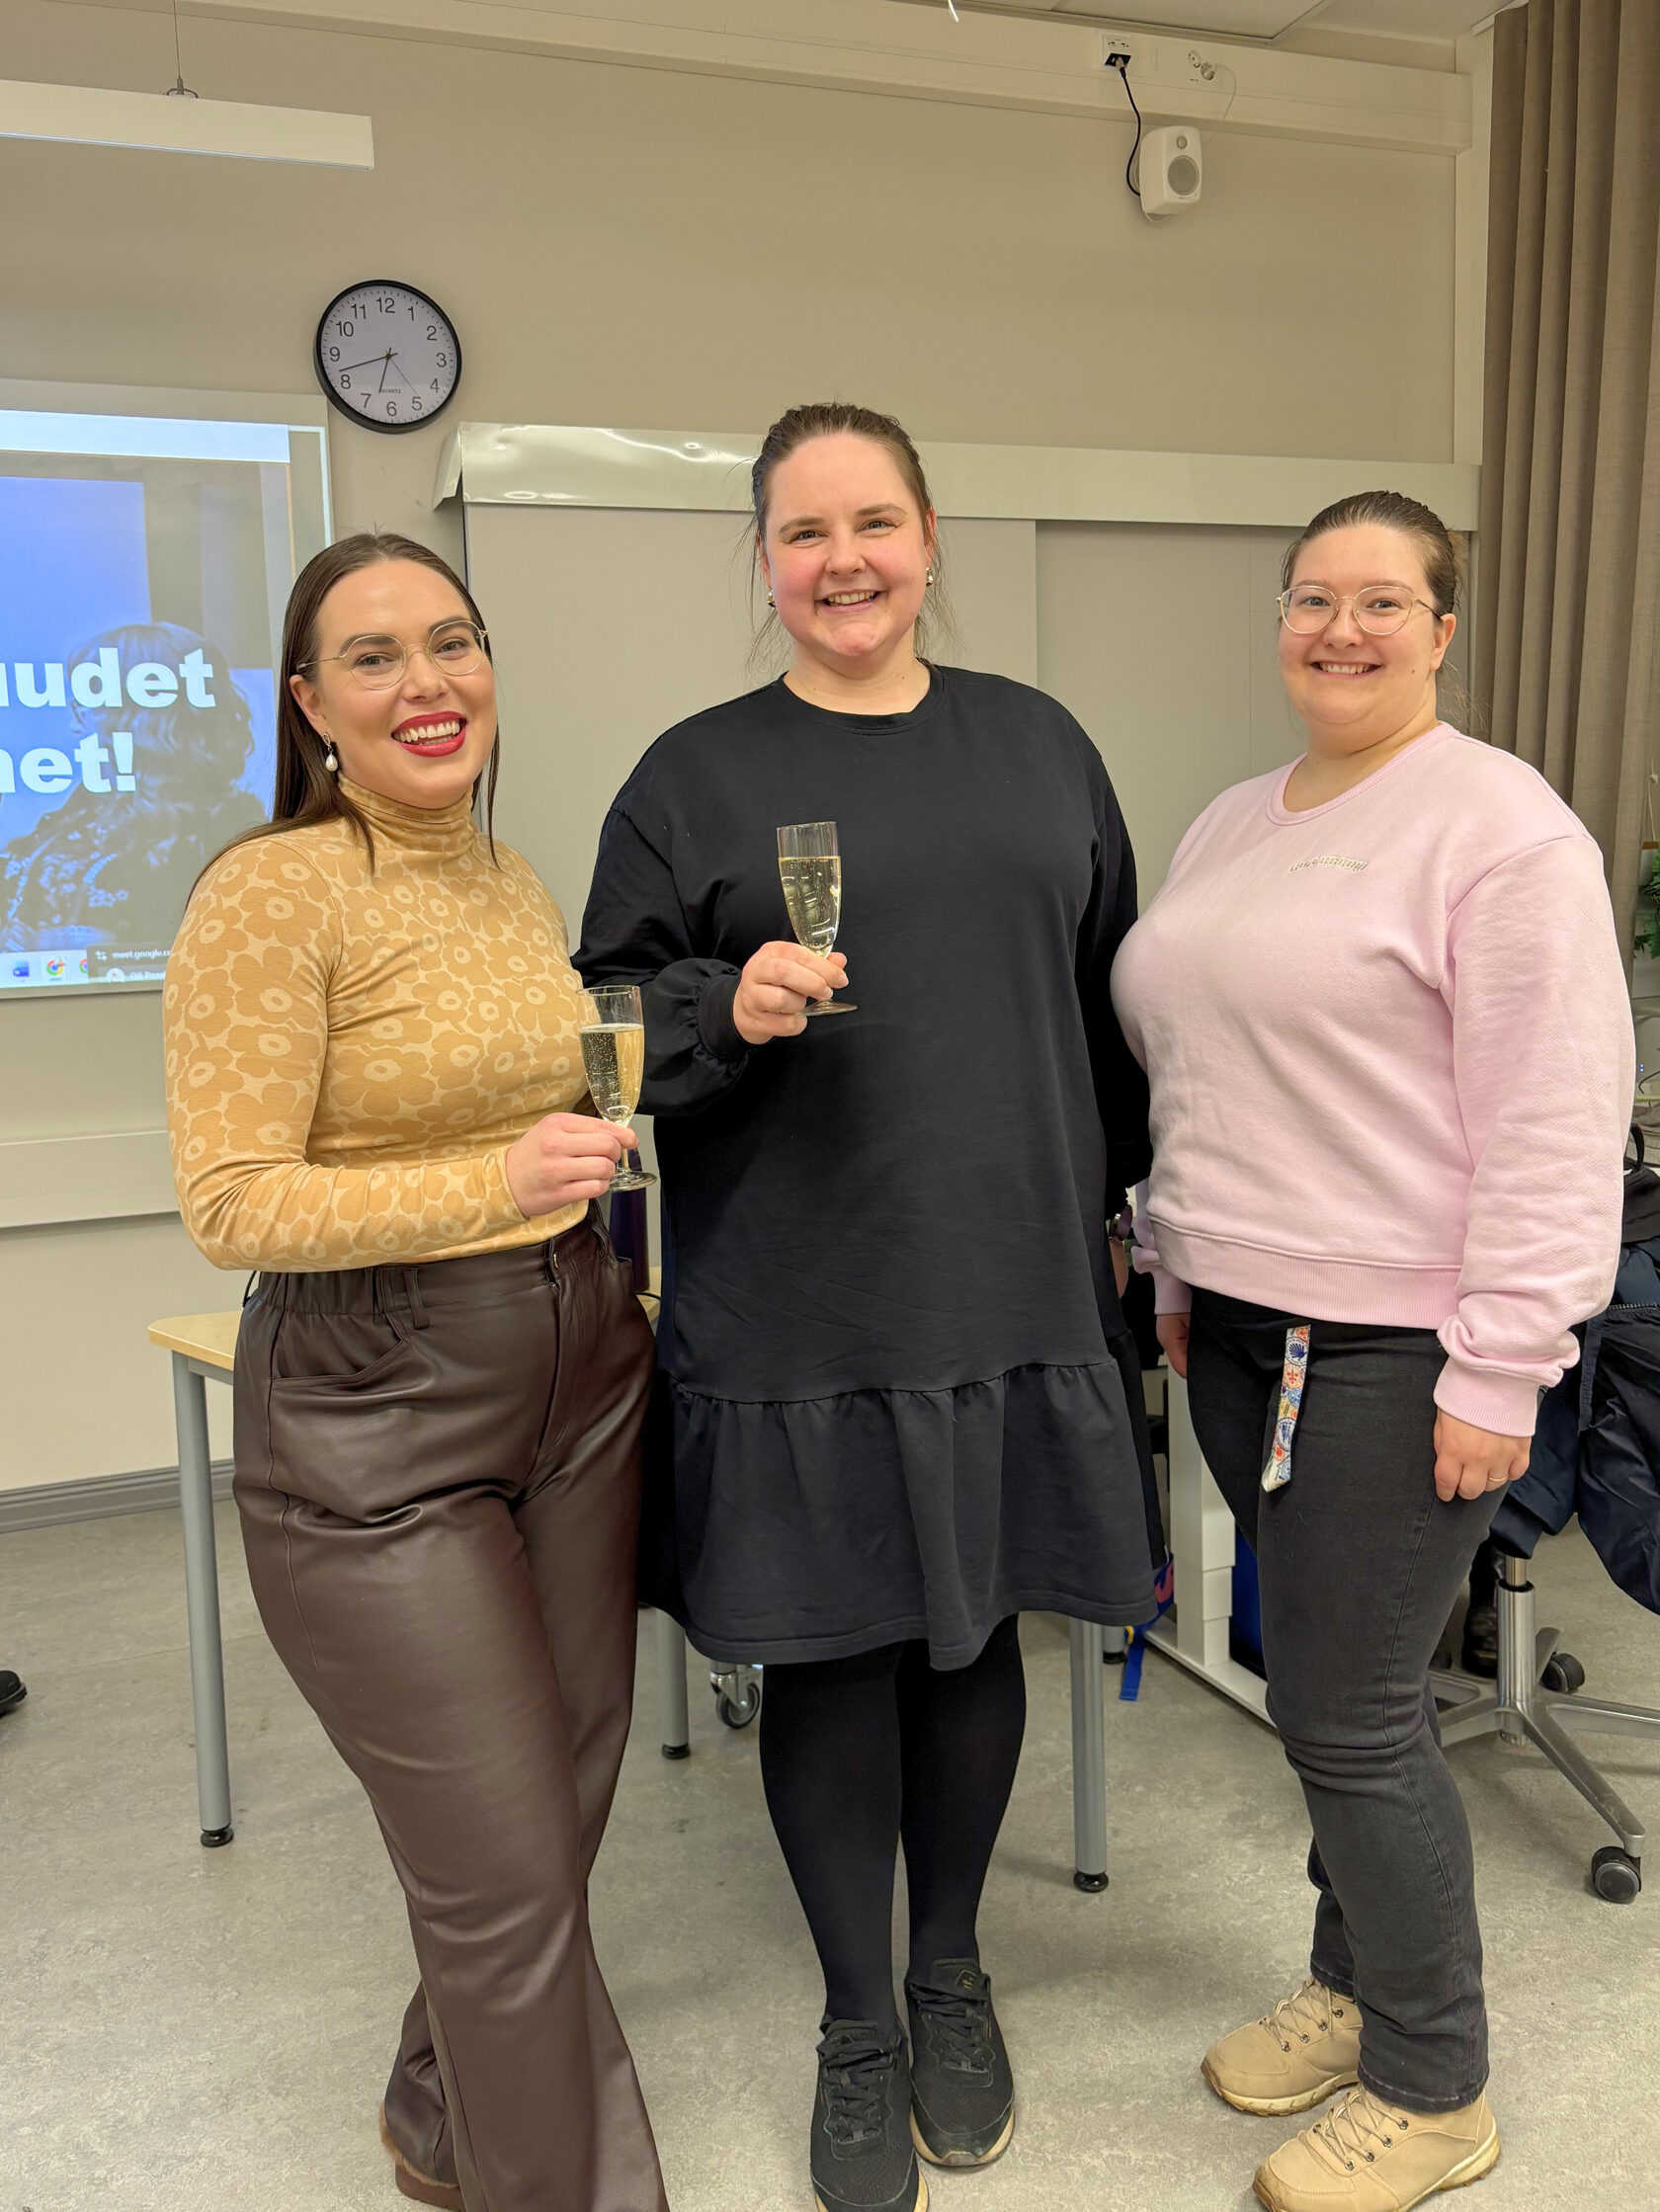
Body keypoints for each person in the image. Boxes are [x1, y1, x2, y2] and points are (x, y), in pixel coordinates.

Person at [577, 402, 1160, 2212]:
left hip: (1008, 1277)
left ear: (928, 537)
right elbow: (599, 1025)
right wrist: (717, 1008)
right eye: (806, 529)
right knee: (832, 1651)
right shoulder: (690, 775)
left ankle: (951, 1969)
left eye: (876, 520)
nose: (845, 559)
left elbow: (1113, 1012)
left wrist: (1133, 1223)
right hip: (800, 1299)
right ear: (763, 558)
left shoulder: (1042, 746)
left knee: (974, 1637)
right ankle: (853, 2015)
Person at [1112, 490, 1634, 2212]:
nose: (1341, 628)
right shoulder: (1233, 819)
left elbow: (1556, 1115)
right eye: (1312, 597)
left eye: (1383, 601)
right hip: (1237, 1322)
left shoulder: (1500, 826)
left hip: (1398, 1342)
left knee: (1347, 1711)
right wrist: (1173, 1255)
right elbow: (1203, 1069)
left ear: (1442, 630)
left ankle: (1433, 2076)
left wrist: (1505, 1361)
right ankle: (1352, 1984)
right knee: (1339, 1691)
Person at [164, 533, 667, 2212]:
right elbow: (233, 1202)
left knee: (557, 1810)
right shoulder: (272, 889)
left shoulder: (509, 879)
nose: (429, 681)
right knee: (506, 1878)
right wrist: (491, 1182)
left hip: (579, 1369)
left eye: (454, 641)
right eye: (373, 655)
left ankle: (443, 2110)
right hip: (379, 1406)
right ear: (310, 703)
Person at [0, 619, 266, 953]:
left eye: (89, 698)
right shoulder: (84, 807)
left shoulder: (225, 823)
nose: (74, 719)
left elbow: (228, 941)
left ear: (141, 714)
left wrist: (91, 944)